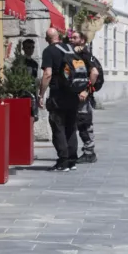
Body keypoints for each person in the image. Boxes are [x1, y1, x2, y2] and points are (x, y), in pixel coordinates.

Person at [39, 28, 85, 171]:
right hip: (73, 94)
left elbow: (47, 74)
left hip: (58, 95)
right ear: (58, 36)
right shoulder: (70, 48)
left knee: (58, 127)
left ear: (47, 38)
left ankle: (63, 161)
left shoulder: (49, 51)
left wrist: (41, 94)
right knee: (71, 127)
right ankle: (72, 160)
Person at [69, 31, 100, 163]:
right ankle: (88, 151)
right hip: (79, 94)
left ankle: (89, 152)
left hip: (83, 96)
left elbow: (94, 72)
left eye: (75, 37)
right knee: (81, 122)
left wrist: (87, 90)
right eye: (71, 37)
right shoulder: (77, 53)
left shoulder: (85, 54)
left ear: (82, 40)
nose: (71, 39)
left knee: (84, 122)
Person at [22, 39, 41, 120]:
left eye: (32, 47)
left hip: (33, 93)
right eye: (28, 47)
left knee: (33, 117)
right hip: (23, 94)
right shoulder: (21, 62)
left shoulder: (35, 63)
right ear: (24, 49)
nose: (31, 50)